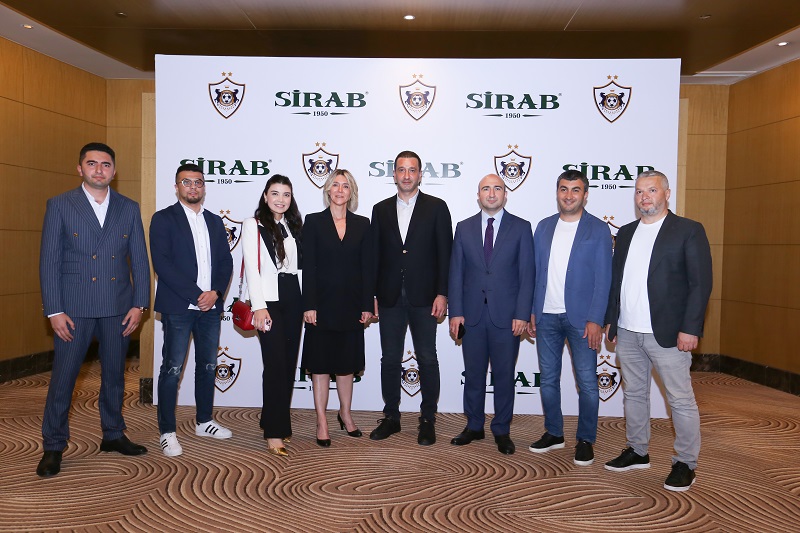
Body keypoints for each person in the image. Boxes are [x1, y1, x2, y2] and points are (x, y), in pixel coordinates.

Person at [37, 142, 151, 477]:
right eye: (92, 163)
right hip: (73, 308)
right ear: (80, 168)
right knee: (64, 379)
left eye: (105, 164)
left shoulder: (128, 207)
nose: (99, 170)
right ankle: (53, 445)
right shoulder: (60, 205)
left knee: (115, 375)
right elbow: (49, 261)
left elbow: (139, 260)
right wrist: (54, 310)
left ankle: (113, 434)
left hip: (118, 306)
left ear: (114, 171)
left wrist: (140, 303)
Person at [604, 170, 712, 492]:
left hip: (668, 333)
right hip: (627, 331)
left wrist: (690, 328)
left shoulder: (688, 230)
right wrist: (612, 320)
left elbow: (700, 284)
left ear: (666, 193)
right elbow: (616, 281)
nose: (644, 197)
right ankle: (638, 450)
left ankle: (685, 463)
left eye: (651, 190)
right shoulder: (625, 232)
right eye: (639, 191)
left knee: (680, 400)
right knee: (634, 394)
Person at [527, 170, 612, 466]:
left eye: (576, 190)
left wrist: (596, 319)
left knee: (587, 383)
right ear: (557, 192)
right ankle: (554, 432)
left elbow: (604, 279)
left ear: (585, 195)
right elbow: (534, 273)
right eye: (564, 189)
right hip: (546, 317)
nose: (569, 195)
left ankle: (586, 439)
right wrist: (532, 310)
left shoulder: (598, 229)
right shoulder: (544, 226)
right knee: (548, 380)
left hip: (583, 321)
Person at [150, 163, 234, 457]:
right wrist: (198, 295)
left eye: (198, 182)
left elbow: (225, 262)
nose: (193, 187)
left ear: (204, 187)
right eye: (186, 182)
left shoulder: (214, 221)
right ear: (176, 187)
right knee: (172, 369)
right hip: (179, 307)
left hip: (210, 308)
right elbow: (162, 264)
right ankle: (167, 432)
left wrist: (216, 293)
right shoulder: (163, 219)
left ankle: (204, 421)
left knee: (208, 366)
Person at [370, 150, 452, 445]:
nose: (407, 175)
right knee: (390, 359)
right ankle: (391, 417)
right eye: (401, 170)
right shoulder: (380, 210)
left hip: (426, 297)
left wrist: (443, 293)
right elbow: (374, 257)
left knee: (427, 358)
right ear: (394, 174)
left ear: (420, 175)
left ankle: (427, 419)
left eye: (412, 170)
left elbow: (446, 255)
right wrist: (372, 295)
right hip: (389, 296)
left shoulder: (437, 207)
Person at [448, 174, 533, 455]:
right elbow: (456, 273)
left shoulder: (522, 228)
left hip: (507, 317)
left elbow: (527, 275)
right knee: (473, 374)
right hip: (471, 316)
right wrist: (455, 312)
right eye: (486, 188)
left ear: (505, 195)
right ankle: (474, 425)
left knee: (504, 376)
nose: (492, 193)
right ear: (478, 195)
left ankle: (501, 429)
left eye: (497, 188)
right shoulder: (463, 228)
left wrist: (522, 313)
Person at [301, 169, 374, 447]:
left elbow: (368, 268)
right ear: (328, 190)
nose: (340, 190)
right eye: (335, 185)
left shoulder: (363, 224)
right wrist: (309, 304)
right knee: (320, 366)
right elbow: (308, 267)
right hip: (321, 306)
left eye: (345, 185)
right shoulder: (313, 222)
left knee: (346, 366)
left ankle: (345, 413)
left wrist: (367, 304)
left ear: (351, 191)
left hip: (352, 306)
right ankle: (321, 420)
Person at [241, 175, 303, 457]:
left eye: (286, 194)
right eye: (275, 193)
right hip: (268, 301)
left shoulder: (293, 226)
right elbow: (253, 269)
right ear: (265, 196)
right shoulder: (252, 225)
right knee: (275, 364)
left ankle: (273, 419)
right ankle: (274, 432)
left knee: (288, 364)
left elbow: (299, 267)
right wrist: (259, 306)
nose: (280, 199)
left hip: (293, 298)